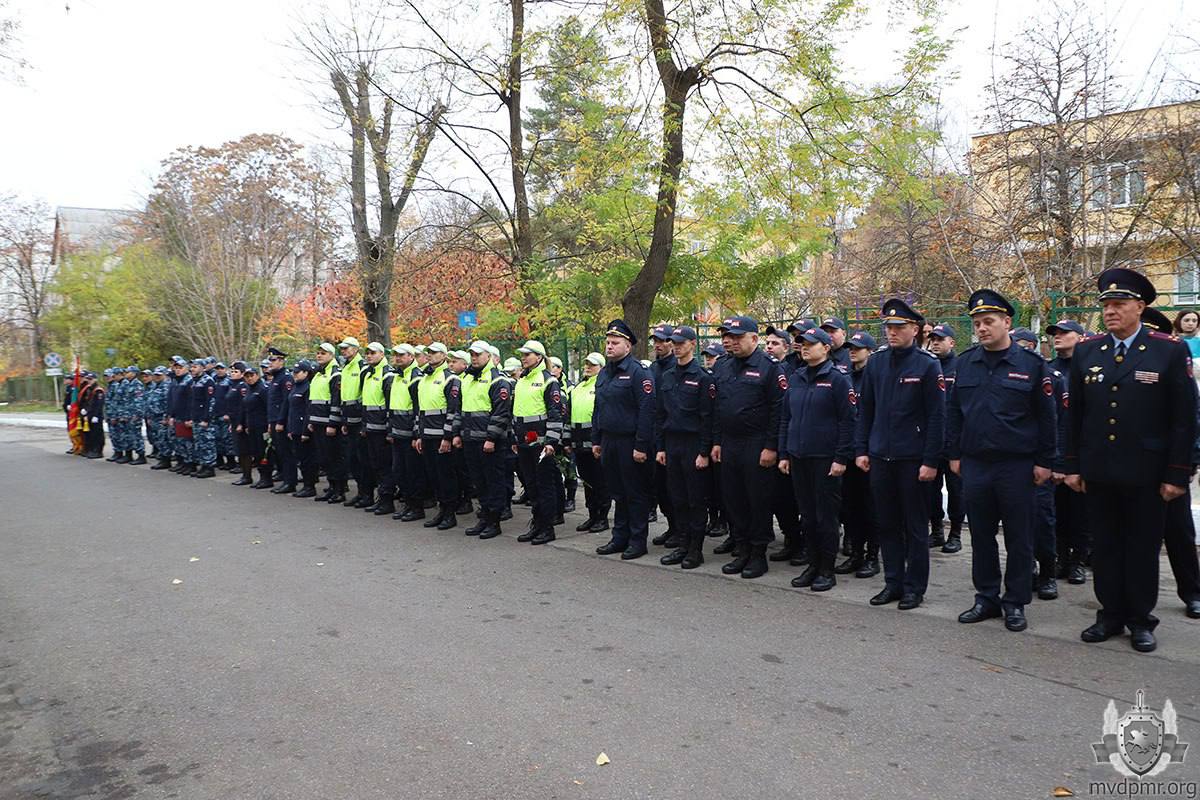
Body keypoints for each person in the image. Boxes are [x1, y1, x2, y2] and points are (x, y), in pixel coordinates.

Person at [1065, 267, 1197, 653]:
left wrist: (1178, 473)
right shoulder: (1089, 350)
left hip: (1147, 472)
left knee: (1141, 548)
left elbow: (1183, 418)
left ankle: (1141, 619)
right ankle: (1109, 614)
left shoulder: (1168, 350)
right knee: (1104, 547)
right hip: (1100, 470)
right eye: (1106, 304)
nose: (1110, 311)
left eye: (1119, 304)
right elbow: (1074, 416)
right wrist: (1072, 465)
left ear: (1140, 307)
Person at [948, 294, 1056, 633]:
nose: (981, 327)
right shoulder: (965, 363)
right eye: (977, 322)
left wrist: (1044, 462)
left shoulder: (1031, 365)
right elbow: (953, 414)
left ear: (1007, 323)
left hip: (1017, 465)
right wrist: (953, 454)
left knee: (1019, 537)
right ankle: (987, 597)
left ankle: (1015, 602)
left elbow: (1047, 418)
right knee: (980, 535)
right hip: (976, 465)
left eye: (989, 321)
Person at [854, 298, 945, 610]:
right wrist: (862, 449)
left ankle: (914, 588)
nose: (891, 332)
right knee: (887, 523)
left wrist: (931, 461)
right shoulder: (877, 363)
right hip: (881, 457)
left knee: (915, 527)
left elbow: (936, 417)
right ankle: (893, 582)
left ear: (915, 329)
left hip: (912, 460)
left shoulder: (927, 365)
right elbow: (865, 410)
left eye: (899, 327)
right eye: (888, 327)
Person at [778, 326, 855, 591]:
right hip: (799, 456)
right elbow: (786, 417)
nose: (805, 347)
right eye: (802, 343)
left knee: (826, 517)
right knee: (808, 516)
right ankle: (812, 564)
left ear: (826, 347)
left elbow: (848, 421)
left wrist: (841, 457)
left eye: (811, 343)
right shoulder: (797, 377)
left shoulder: (838, 379)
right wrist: (784, 452)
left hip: (826, 458)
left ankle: (826, 569)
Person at [710, 315, 786, 579]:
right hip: (730, 443)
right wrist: (717, 441)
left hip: (757, 444)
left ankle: (757, 554)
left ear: (754, 339)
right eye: (728, 337)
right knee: (734, 499)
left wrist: (771, 446)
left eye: (737, 337)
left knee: (758, 501)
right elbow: (719, 408)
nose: (731, 341)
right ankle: (741, 549)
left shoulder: (769, 368)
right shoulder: (723, 366)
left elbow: (779, 410)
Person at [1140, 306, 1200, 620]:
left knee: (1179, 534)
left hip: (1169, 465)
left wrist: (1188, 463)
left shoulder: (1174, 361)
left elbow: (1190, 418)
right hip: (1136, 467)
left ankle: (1192, 592)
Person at [1012, 328, 1068, 602]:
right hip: (1012, 460)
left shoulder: (1051, 377)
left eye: (1021, 344)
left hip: (1040, 462)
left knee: (1042, 520)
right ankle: (1025, 571)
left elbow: (1059, 424)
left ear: (1032, 347)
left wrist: (1056, 461)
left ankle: (1047, 572)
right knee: (1015, 523)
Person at [593, 321, 656, 559]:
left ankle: (637, 540)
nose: (609, 347)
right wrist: (596, 439)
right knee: (617, 492)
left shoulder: (639, 372)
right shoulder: (605, 372)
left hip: (631, 442)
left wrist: (641, 445)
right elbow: (599, 407)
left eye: (615, 343)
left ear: (627, 346)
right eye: (608, 342)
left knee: (635, 493)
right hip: (609, 440)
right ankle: (620, 537)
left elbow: (647, 410)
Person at [655, 325, 715, 569]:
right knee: (677, 497)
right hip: (672, 443)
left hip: (693, 445)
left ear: (692, 344)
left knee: (695, 499)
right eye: (674, 343)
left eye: (681, 343)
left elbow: (707, 418)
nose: (677, 346)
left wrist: (703, 452)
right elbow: (660, 414)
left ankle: (695, 550)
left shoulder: (702, 377)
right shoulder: (667, 376)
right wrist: (660, 447)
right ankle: (682, 543)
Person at [1045, 318, 1090, 585]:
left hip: (1082, 453)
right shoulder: (1048, 370)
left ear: (1080, 337)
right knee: (1057, 511)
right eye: (1055, 333)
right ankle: (1061, 558)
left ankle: (1077, 562)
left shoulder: (1088, 370)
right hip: (1054, 452)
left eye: (1064, 333)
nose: (1058, 337)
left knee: (1080, 512)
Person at [512, 340, 565, 545]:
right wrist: (514, 439)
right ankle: (537, 523)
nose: (524, 357)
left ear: (539, 357)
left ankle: (547, 527)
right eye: (523, 354)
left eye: (528, 354)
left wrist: (551, 441)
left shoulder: (548, 381)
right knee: (531, 485)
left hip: (541, 444)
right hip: (524, 443)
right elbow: (516, 413)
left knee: (545, 486)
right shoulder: (522, 380)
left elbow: (555, 413)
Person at [459, 340, 513, 540]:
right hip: (470, 439)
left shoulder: (498, 379)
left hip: (490, 442)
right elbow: (460, 409)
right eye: (472, 354)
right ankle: (484, 516)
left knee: (493, 481)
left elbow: (501, 412)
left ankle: (494, 521)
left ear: (488, 356)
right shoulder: (466, 378)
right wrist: (458, 434)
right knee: (478, 481)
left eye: (478, 354)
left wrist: (491, 438)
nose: (474, 358)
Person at [837, 330, 879, 578]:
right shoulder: (845, 378)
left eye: (858, 348)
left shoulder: (875, 379)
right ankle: (856, 553)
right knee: (850, 506)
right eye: (851, 347)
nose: (852, 351)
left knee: (870, 507)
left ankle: (873, 556)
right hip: (848, 451)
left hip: (870, 453)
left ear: (870, 351)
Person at [762, 325, 806, 565]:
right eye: (767, 343)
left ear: (786, 347)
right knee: (780, 498)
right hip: (776, 442)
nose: (769, 347)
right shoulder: (770, 369)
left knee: (797, 498)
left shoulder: (794, 370)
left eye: (775, 343)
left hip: (794, 443)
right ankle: (791, 539)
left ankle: (803, 544)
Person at [414, 342, 463, 530]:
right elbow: (420, 410)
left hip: (441, 437)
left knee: (446, 476)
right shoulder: (424, 378)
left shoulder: (449, 378)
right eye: (428, 352)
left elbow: (453, 410)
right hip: (426, 435)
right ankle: (441, 510)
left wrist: (447, 437)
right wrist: (419, 434)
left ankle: (450, 513)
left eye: (434, 353)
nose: (430, 355)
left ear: (444, 355)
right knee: (433, 476)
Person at [925, 323, 963, 552]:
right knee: (930, 489)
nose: (936, 342)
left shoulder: (961, 367)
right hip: (931, 440)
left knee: (957, 490)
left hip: (955, 441)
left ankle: (956, 533)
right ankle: (937, 530)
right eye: (933, 339)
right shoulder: (928, 366)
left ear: (952, 342)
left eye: (941, 339)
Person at [566, 352, 611, 533]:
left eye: (592, 365)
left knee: (600, 481)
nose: (587, 367)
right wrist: (567, 440)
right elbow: (568, 415)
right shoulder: (577, 388)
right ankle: (592, 515)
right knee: (587, 481)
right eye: (586, 364)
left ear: (601, 367)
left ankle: (602, 516)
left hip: (595, 442)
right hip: (578, 442)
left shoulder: (603, 386)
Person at [648, 323, 679, 549]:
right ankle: (672, 526)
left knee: (675, 487)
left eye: (662, 341)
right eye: (655, 341)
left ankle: (681, 530)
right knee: (660, 487)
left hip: (673, 435)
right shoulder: (652, 368)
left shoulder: (676, 367)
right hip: (655, 434)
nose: (658, 345)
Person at [308, 344, 346, 503]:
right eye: (317, 353)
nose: (319, 356)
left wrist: (333, 422)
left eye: (322, 353)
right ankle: (331, 487)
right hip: (318, 422)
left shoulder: (335, 373)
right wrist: (311, 419)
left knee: (334, 457)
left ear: (331, 354)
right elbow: (313, 398)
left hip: (329, 424)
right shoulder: (318, 373)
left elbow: (336, 400)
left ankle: (339, 490)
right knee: (324, 458)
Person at [356, 342, 392, 511]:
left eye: (373, 353)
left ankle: (387, 501)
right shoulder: (368, 374)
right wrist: (364, 426)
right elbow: (366, 403)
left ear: (382, 354)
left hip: (381, 429)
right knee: (374, 465)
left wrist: (388, 429)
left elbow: (390, 404)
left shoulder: (387, 374)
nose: (369, 355)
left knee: (384, 466)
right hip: (370, 427)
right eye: (367, 353)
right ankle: (380, 498)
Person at [337, 337, 368, 507]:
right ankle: (361, 493)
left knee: (362, 459)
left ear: (356, 349)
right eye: (342, 348)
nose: (343, 351)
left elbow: (364, 394)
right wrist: (344, 420)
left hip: (359, 420)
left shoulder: (361, 367)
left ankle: (367, 494)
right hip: (348, 419)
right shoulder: (346, 367)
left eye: (347, 348)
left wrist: (362, 419)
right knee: (353, 459)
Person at [265, 347, 296, 493]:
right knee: (280, 452)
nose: (270, 363)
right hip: (274, 420)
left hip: (281, 422)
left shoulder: (286, 378)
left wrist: (280, 422)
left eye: (273, 360)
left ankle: (290, 482)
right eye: (269, 360)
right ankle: (285, 479)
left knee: (287, 453)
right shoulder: (275, 378)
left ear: (282, 361)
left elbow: (286, 402)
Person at [286, 360, 319, 497]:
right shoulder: (295, 386)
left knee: (307, 460)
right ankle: (306, 484)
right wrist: (290, 428)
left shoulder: (308, 387)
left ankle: (309, 486)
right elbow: (292, 409)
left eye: (297, 372)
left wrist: (305, 431)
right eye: (293, 372)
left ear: (306, 373)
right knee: (301, 458)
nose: (294, 374)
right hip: (294, 427)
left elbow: (308, 411)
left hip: (303, 430)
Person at [237, 366, 271, 489]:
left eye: (252, 375)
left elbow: (268, 408)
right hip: (252, 426)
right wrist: (245, 424)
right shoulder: (249, 389)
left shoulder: (263, 389)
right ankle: (262, 477)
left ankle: (267, 478)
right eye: (247, 376)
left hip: (262, 426)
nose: (249, 378)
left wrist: (269, 425)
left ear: (257, 375)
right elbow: (246, 409)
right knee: (256, 452)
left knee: (264, 453)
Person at [187, 358, 218, 479]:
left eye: (195, 366)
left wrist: (206, 418)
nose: (192, 369)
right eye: (192, 367)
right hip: (196, 417)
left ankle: (210, 467)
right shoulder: (194, 381)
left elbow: (211, 402)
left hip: (204, 419)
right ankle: (203, 466)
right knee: (199, 443)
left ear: (203, 368)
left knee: (207, 443)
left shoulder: (208, 381)